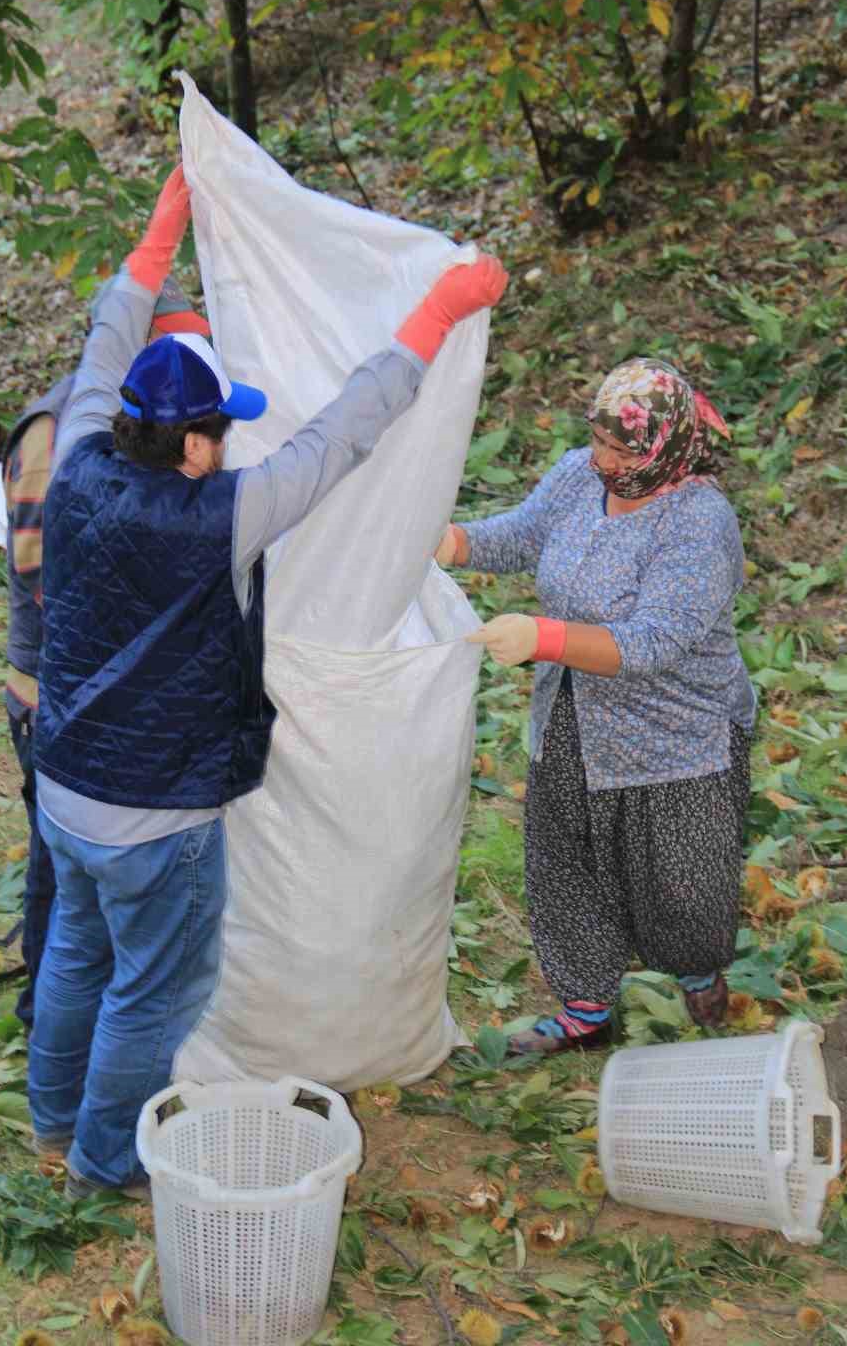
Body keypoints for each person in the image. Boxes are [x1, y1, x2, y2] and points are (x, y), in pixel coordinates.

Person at [27, 163, 507, 1197]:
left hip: (63, 786)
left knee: (75, 950)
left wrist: (157, 244)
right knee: (154, 992)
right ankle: (105, 1164)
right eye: (221, 427)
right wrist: (437, 311)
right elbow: (343, 433)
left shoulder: (76, 463)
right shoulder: (221, 517)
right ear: (196, 445)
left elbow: (103, 350)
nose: (231, 439)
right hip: (154, 817)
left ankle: (51, 1118)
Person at [436, 357, 755, 1056]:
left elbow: (653, 641)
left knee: (680, 879)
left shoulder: (698, 521)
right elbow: (523, 534)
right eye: (599, 441)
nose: (605, 460)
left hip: (677, 730)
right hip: (578, 713)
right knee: (566, 860)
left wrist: (541, 636)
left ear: (666, 445)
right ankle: (586, 1010)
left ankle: (698, 976)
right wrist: (448, 541)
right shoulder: (582, 475)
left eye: (623, 448)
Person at [0, 277, 207, 1027]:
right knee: (60, 870)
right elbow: (43, 568)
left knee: (90, 875)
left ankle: (67, 1010)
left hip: (103, 693)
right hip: (52, 696)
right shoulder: (55, 436)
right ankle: (41, 1018)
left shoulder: (134, 430)